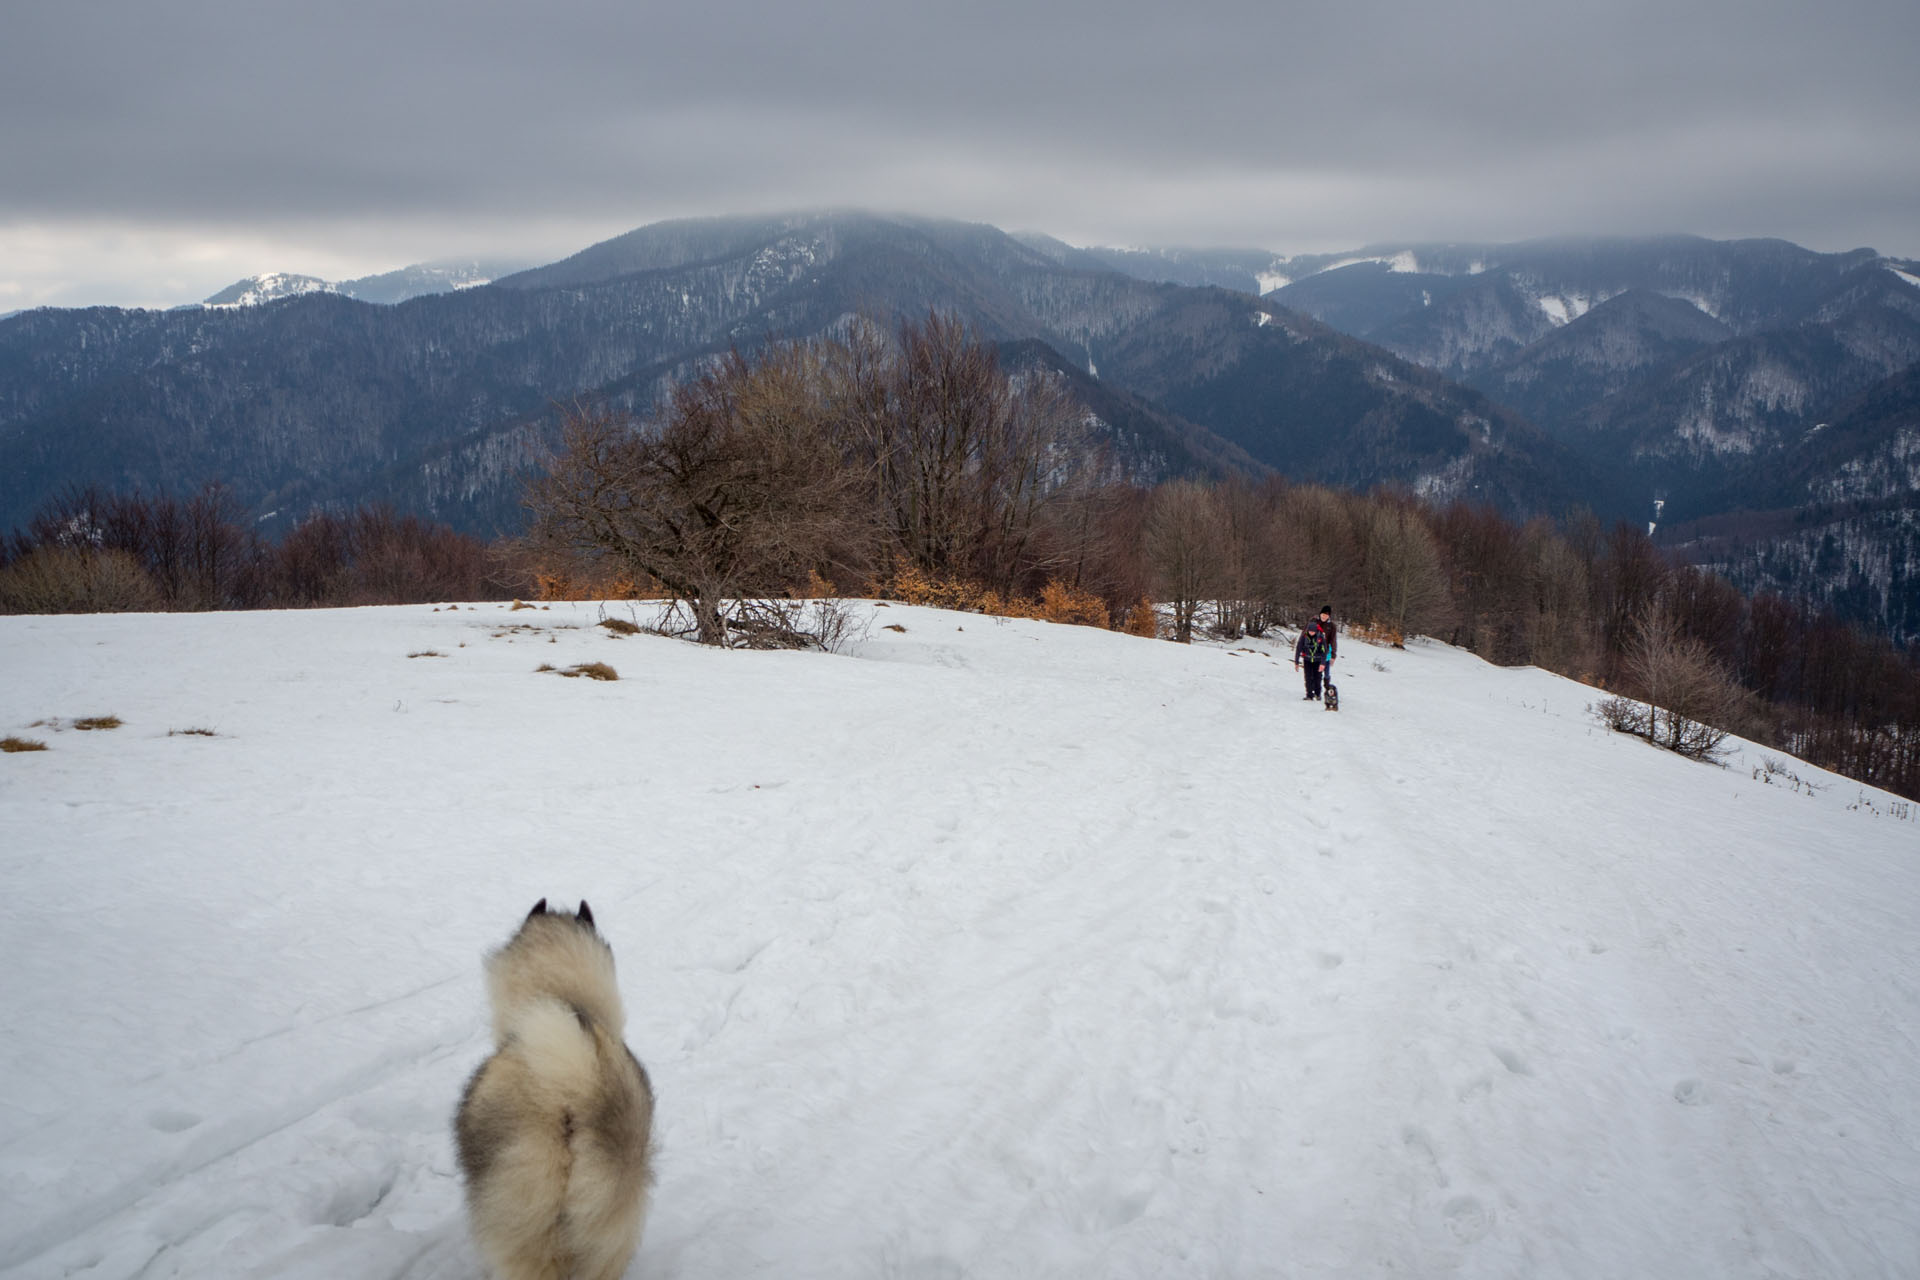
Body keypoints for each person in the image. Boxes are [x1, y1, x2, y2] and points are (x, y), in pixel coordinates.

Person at [1293, 605, 1337, 700]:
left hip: (1324, 651)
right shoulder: (1313, 621)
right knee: (1311, 674)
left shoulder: (1331, 626)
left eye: (1326, 615)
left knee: (1325, 673)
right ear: (1320, 613)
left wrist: (1333, 655)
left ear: (1329, 616)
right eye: (1323, 614)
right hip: (1311, 652)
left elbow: (1333, 640)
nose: (1324, 617)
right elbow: (1304, 634)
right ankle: (1311, 692)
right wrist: (1302, 646)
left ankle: (1325, 690)